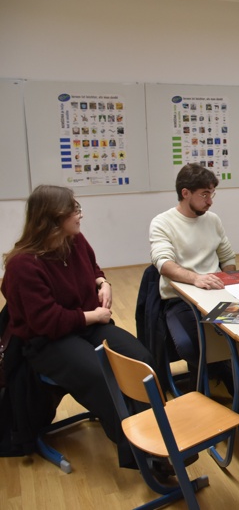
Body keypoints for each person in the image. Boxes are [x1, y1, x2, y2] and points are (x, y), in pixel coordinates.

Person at [1, 185, 155, 469]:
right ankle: (140, 453)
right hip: (47, 340)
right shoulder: (22, 266)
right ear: (53, 217)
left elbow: (93, 267)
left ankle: (155, 435)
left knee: (141, 359)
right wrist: (94, 316)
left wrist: (103, 282)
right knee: (100, 375)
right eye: (74, 210)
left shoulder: (74, 240)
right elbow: (46, 321)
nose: (80, 215)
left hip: (85, 324)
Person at [150, 163, 236, 392]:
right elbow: (164, 264)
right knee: (192, 345)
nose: (210, 201)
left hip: (216, 294)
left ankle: (227, 377)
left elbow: (228, 257)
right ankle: (219, 379)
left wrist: (229, 281)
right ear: (185, 193)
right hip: (180, 300)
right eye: (204, 194)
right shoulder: (162, 222)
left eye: (212, 194)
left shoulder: (213, 220)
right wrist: (196, 279)